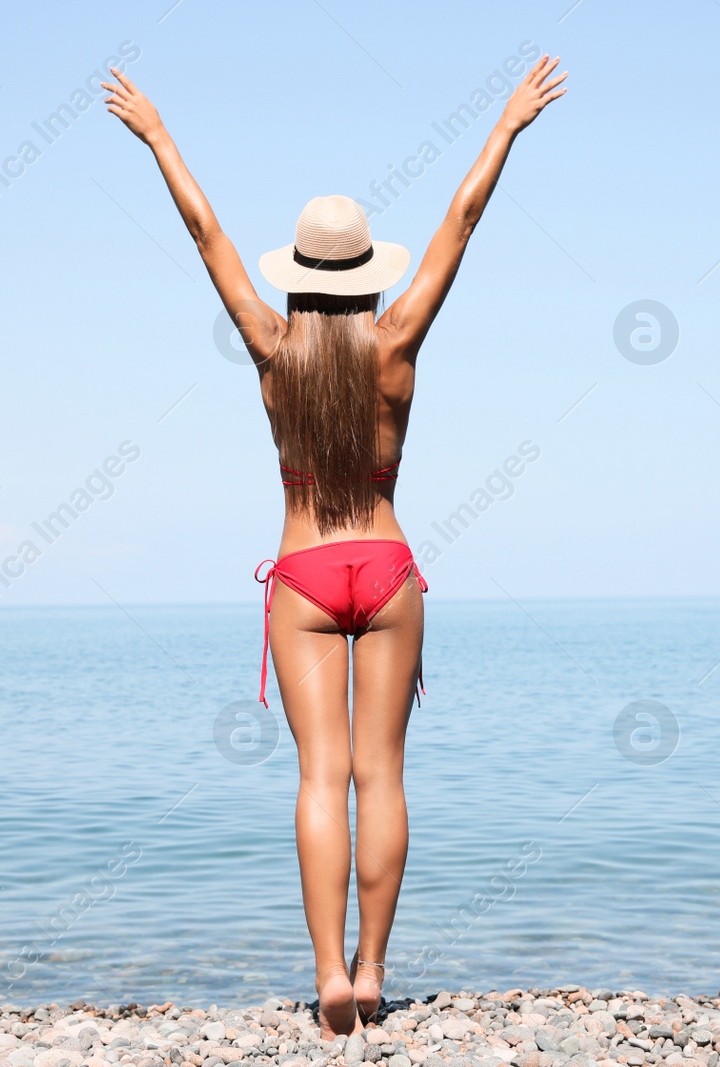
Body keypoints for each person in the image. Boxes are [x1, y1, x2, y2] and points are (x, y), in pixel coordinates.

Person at [103, 55, 567, 1037]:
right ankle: (374, 966)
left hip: (306, 570)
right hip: (388, 567)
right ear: (364, 270)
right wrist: (505, 130)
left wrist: (158, 137)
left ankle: (327, 976)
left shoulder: (273, 351)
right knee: (381, 775)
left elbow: (206, 234)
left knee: (318, 777)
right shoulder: (397, 342)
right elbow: (462, 222)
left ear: (300, 274)